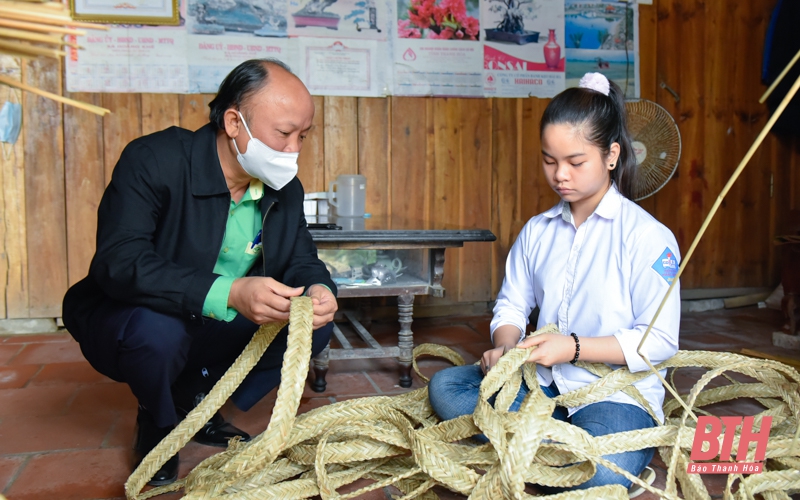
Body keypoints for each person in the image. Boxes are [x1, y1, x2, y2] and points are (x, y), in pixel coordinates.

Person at [62, 59, 338, 486]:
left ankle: (199, 400)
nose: (293, 150)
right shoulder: (155, 160)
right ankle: (158, 419)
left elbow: (301, 257)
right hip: (138, 316)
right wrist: (228, 292)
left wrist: (319, 287)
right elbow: (120, 260)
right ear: (233, 122)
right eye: (283, 134)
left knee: (312, 324)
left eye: (303, 136)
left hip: (212, 323)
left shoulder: (285, 188)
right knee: (158, 335)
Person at [427, 72, 680, 491]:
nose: (560, 175)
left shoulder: (648, 237)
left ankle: (530, 448)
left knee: (599, 469)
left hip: (613, 397)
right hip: (541, 387)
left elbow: (658, 341)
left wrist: (574, 347)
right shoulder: (538, 232)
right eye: (549, 160)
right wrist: (507, 349)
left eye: (576, 162)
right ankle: (548, 453)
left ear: (612, 155)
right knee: (447, 385)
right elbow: (511, 304)